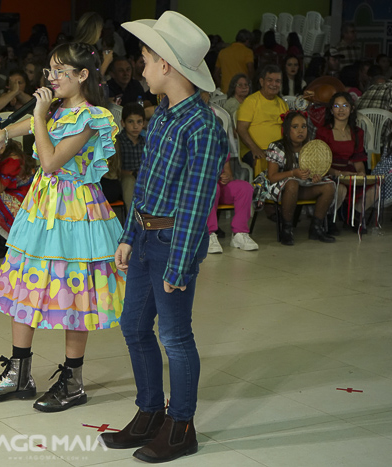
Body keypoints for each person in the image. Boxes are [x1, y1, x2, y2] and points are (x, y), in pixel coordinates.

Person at [0, 42, 126, 413]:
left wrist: (39, 115)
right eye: (50, 71)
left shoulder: (92, 117)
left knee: (75, 290)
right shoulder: (57, 108)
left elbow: (50, 161)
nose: (52, 78)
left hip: (76, 211)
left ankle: (72, 380)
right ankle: (18, 372)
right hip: (42, 208)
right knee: (26, 282)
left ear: (83, 75)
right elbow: (29, 125)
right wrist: (3, 134)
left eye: (60, 71)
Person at [102, 12, 227, 463]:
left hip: (174, 243)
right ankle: (150, 411)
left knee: (175, 336)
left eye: (146, 58)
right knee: (134, 327)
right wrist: (128, 235)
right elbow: (145, 186)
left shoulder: (203, 127)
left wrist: (181, 264)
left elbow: (195, 204)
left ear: (167, 65)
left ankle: (182, 425)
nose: (142, 66)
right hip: (144, 239)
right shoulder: (161, 118)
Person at [265, 110, 336, 244]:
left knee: (329, 186)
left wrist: (315, 177)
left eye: (303, 126)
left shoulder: (310, 148)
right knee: (292, 183)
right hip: (282, 188)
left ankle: (316, 228)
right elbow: (272, 177)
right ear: (287, 130)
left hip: (303, 186)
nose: (300, 131)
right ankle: (286, 229)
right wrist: (293, 173)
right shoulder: (277, 147)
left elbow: (313, 173)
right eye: (295, 127)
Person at [315, 92, 377, 225]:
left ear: (352, 109)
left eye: (345, 106)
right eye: (336, 106)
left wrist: (361, 172)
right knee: (340, 188)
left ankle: (354, 216)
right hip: (329, 172)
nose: (341, 110)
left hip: (350, 173)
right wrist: (339, 173)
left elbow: (358, 158)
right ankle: (329, 219)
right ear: (331, 110)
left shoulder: (357, 132)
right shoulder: (323, 132)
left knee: (376, 188)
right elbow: (319, 163)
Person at [237, 64, 288, 174]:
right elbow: (241, 129)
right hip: (253, 149)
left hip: (277, 151)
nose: (274, 84)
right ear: (261, 82)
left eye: (277, 81)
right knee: (262, 160)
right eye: (270, 80)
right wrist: (255, 148)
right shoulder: (251, 101)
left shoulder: (282, 103)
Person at [205, 154, 258, 253]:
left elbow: (229, 173)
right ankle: (207, 235)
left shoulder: (221, 146)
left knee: (245, 188)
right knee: (211, 187)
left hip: (220, 185)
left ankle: (239, 234)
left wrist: (227, 176)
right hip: (200, 187)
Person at [115, 102, 145, 208]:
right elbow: (113, 170)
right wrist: (131, 173)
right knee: (129, 181)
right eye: (130, 122)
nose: (135, 126)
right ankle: (131, 214)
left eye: (139, 122)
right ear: (123, 123)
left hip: (142, 178)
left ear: (144, 123)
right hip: (123, 179)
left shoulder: (146, 142)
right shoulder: (117, 142)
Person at [215, 29, 254, 94]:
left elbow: (216, 74)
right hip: (241, 91)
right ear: (247, 41)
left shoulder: (223, 52)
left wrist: (222, 86)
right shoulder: (248, 52)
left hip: (225, 90)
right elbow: (251, 70)